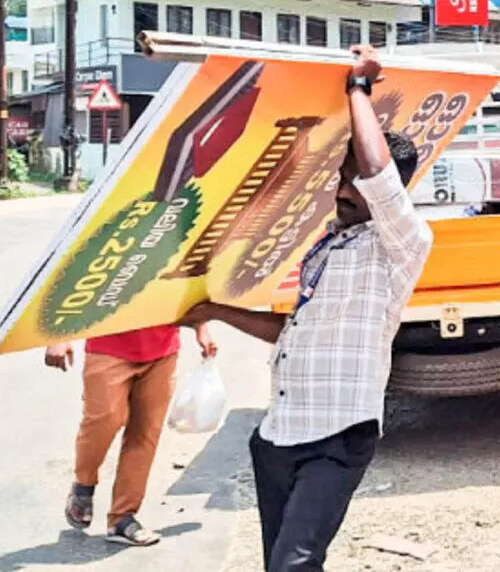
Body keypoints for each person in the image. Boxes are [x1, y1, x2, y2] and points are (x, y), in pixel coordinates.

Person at [182, 45, 432, 572]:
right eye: (339, 176)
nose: (342, 188)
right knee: (282, 564)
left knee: (294, 565)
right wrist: (215, 309)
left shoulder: (402, 243)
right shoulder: (330, 244)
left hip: (336, 438)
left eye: (353, 179)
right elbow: (295, 330)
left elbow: (379, 178)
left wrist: (358, 88)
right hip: (279, 436)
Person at [44, 321, 217, 546]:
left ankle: (122, 518)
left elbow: (190, 290)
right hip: (107, 346)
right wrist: (58, 335)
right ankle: (84, 484)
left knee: (145, 432)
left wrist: (201, 328)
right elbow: (66, 286)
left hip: (162, 350)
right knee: (105, 418)